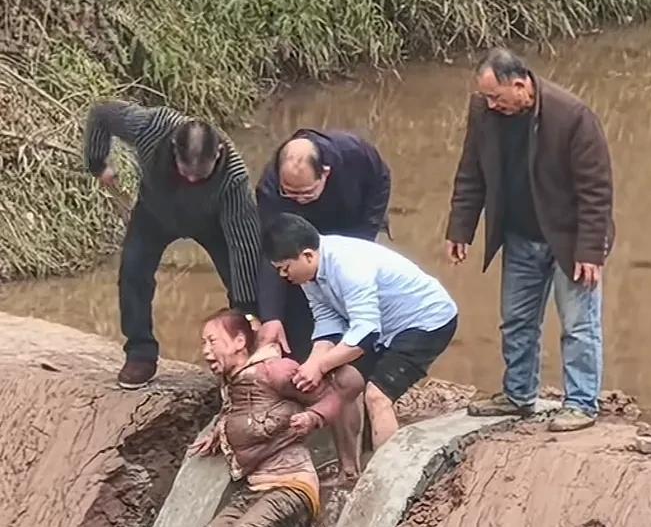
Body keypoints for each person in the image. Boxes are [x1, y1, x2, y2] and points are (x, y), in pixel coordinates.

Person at [445, 48, 614, 432]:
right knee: (517, 321)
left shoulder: (572, 117)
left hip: (569, 240)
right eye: (486, 98)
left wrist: (591, 249)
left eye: (498, 98)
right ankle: (518, 395)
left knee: (578, 324)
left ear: (521, 85)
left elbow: (596, 190)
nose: (491, 105)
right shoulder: (485, 113)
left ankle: (581, 403)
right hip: (520, 234)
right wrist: (461, 228)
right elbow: (471, 171)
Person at [84, 100, 261, 389]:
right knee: (133, 272)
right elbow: (101, 113)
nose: (191, 179)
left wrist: (248, 310)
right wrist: (97, 163)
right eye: (185, 171)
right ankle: (140, 353)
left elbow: (244, 249)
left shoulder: (234, 177)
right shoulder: (151, 127)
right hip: (154, 213)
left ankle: (242, 358)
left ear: (218, 154)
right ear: (175, 150)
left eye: (200, 175)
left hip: (212, 222)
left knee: (243, 284)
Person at [192, 310, 362, 527]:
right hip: (256, 486)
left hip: (291, 486)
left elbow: (336, 395)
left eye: (212, 341)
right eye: (204, 343)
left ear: (239, 342)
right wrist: (219, 432)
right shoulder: (232, 381)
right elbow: (237, 411)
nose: (206, 350)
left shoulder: (275, 371)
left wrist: (313, 417)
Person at [263, 216, 458, 449]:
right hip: (382, 325)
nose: (283, 277)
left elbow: (365, 333)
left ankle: (386, 479)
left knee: (377, 396)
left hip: (425, 320)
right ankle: (349, 471)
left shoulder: (349, 266)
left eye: (285, 269)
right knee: (343, 382)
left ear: (307, 255)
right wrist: (313, 362)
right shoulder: (309, 273)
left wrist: (321, 365)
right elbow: (327, 320)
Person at [256, 129, 392, 362]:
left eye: (306, 192)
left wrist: (364, 238)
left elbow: (381, 180)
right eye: (291, 193)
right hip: (297, 240)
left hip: (351, 226)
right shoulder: (270, 189)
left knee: (358, 298)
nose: (299, 199)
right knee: (299, 298)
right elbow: (273, 251)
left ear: (325, 174)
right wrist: (271, 316)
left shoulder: (354, 153)